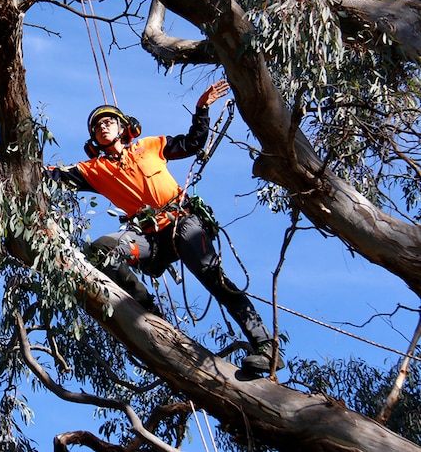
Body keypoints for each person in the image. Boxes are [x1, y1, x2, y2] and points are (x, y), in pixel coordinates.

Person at [46, 79, 283, 373]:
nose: (102, 127)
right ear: (94, 139)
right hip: (152, 241)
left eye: (108, 121)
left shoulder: (150, 146)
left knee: (214, 280)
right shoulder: (93, 170)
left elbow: (193, 143)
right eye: (96, 127)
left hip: (183, 223)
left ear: (123, 127)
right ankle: (147, 307)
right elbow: (53, 176)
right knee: (102, 250)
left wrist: (202, 108)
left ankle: (265, 346)